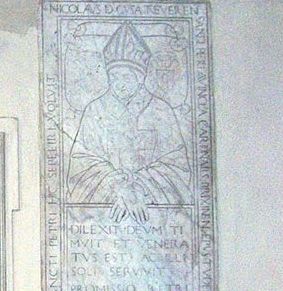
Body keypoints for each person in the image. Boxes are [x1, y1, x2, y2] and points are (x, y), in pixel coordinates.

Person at [67, 21, 191, 223]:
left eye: (126, 77)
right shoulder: (95, 110)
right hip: (106, 209)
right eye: (114, 77)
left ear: (140, 77)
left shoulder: (161, 110)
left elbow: (176, 165)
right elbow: (82, 163)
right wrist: (119, 187)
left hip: (153, 212)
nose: (119, 84)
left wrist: (140, 188)